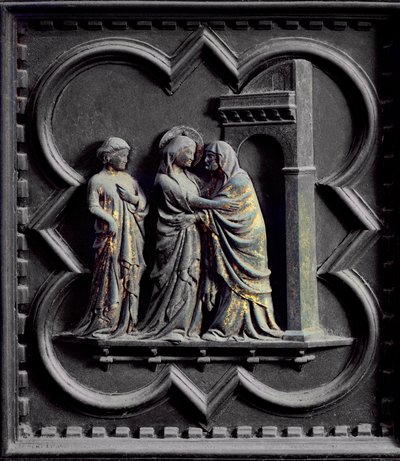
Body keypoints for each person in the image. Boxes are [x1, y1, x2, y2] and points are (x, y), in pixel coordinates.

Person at [139, 135, 237, 342]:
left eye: (194, 153)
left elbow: (207, 191)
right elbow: (189, 199)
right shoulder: (164, 180)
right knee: (172, 279)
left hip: (193, 234)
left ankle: (187, 326)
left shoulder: (191, 178)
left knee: (191, 278)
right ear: (176, 152)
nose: (193, 157)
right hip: (172, 235)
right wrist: (218, 205)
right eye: (189, 153)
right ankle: (166, 325)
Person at [198, 141, 283, 341]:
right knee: (229, 281)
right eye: (206, 156)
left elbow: (222, 206)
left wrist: (190, 203)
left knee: (243, 281)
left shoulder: (239, 180)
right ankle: (227, 326)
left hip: (247, 240)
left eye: (211, 157)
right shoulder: (218, 181)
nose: (206, 161)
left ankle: (228, 327)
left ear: (223, 159)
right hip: (232, 240)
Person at [73, 137, 148, 338]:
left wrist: (133, 199)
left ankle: (128, 322)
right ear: (108, 157)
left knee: (130, 274)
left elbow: (142, 201)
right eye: (122, 156)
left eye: (127, 156)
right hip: (110, 238)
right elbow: (93, 205)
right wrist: (110, 220)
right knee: (109, 274)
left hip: (131, 237)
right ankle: (106, 321)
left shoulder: (129, 180)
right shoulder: (98, 180)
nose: (126, 160)